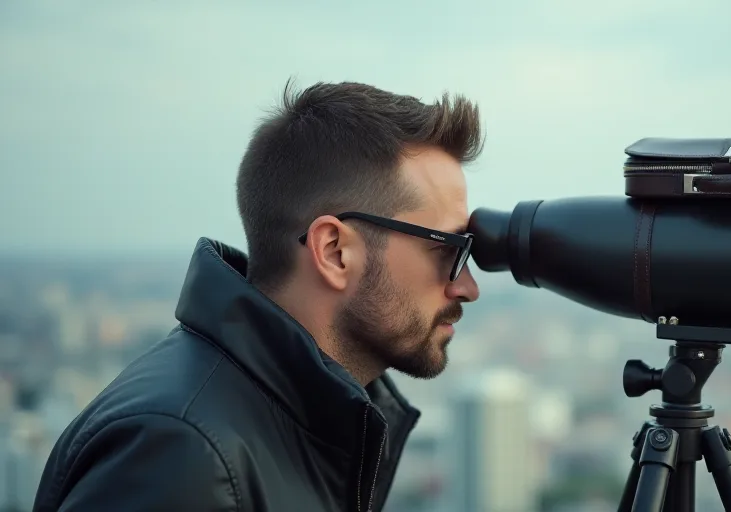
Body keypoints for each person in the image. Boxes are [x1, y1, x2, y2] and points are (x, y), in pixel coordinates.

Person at [32, 79, 485, 512]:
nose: (467, 288)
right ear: (334, 251)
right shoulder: (186, 456)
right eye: (446, 249)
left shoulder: (310, 428)